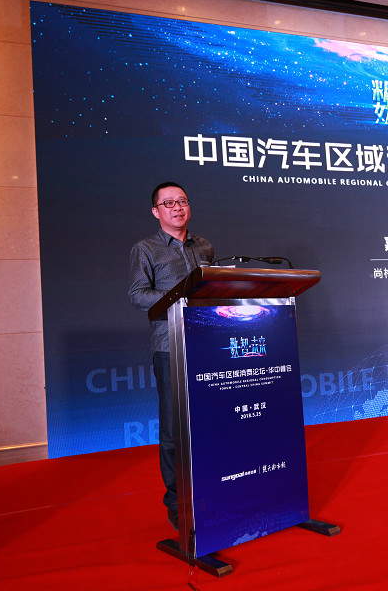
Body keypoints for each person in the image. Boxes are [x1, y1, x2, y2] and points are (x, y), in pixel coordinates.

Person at [128, 181, 215, 530]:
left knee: (208, 422)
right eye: (168, 203)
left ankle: (211, 490)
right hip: (170, 346)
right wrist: (179, 298)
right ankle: (178, 503)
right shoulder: (145, 248)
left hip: (207, 343)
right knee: (174, 431)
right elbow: (138, 294)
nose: (177, 207)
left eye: (182, 201)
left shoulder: (205, 246)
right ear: (156, 211)